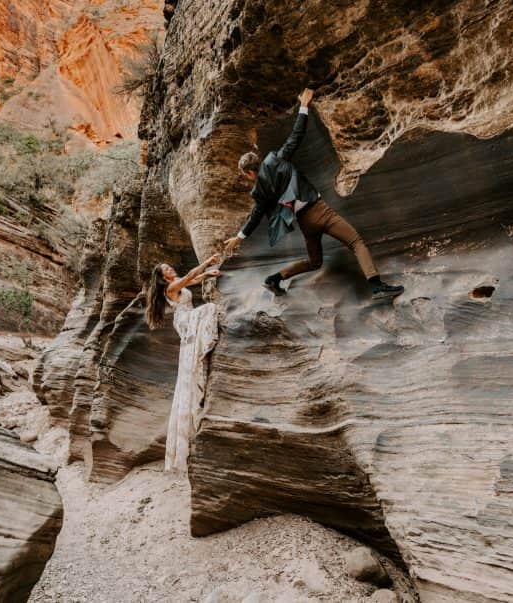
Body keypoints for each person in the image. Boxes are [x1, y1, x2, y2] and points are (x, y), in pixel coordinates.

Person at [223, 89, 404, 301]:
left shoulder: (259, 191)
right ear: (259, 162)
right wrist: (304, 106)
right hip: (320, 211)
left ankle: (274, 278)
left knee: (315, 262)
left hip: (305, 223)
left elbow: (256, 214)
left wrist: (239, 236)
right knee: (356, 242)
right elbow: (296, 136)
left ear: (250, 172)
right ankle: (377, 286)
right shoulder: (277, 160)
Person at [145, 253, 223, 472]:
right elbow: (190, 275)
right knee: (208, 309)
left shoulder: (177, 285)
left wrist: (207, 274)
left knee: (207, 309)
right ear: (163, 277)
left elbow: (193, 280)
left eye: (170, 267)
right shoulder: (169, 288)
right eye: (167, 270)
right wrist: (207, 263)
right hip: (185, 321)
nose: (171, 270)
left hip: (188, 318)